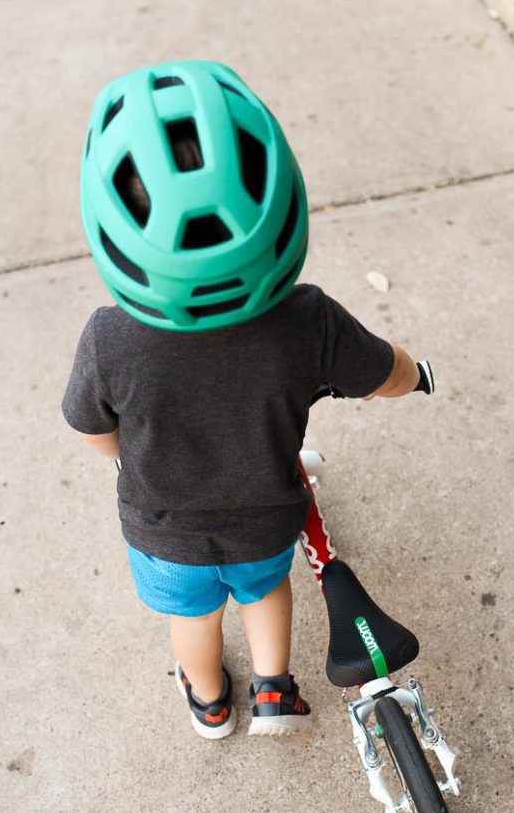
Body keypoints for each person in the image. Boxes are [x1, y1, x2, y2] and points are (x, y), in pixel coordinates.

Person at [62, 60, 432, 741]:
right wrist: (415, 374)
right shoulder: (307, 320)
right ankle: (273, 692)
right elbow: (386, 372)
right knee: (264, 591)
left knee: (194, 621)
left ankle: (208, 702)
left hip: (162, 529)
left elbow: (90, 427)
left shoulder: (109, 338)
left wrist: (127, 459)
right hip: (264, 518)